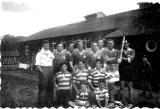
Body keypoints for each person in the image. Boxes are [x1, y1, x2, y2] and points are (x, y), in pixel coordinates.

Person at [35, 40, 55, 107]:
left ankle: (49, 103)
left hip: (50, 70)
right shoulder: (39, 53)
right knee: (43, 88)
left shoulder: (50, 53)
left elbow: (53, 61)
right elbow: (37, 65)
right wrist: (42, 72)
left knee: (50, 88)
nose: (47, 46)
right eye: (46, 45)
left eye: (48, 45)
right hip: (43, 70)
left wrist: (51, 70)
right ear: (43, 45)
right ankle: (41, 104)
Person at [102, 39, 120, 103]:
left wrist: (116, 67)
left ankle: (113, 97)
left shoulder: (117, 51)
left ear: (113, 44)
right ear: (107, 44)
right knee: (109, 83)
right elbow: (105, 60)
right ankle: (109, 98)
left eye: (111, 43)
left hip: (115, 68)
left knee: (114, 84)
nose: (110, 45)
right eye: (109, 43)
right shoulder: (104, 51)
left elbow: (118, 61)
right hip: (108, 68)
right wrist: (113, 59)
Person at [118, 40, 135, 105]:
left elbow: (130, 60)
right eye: (123, 43)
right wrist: (118, 60)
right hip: (122, 71)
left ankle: (131, 101)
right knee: (122, 87)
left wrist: (122, 58)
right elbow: (118, 60)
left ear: (128, 43)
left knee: (130, 87)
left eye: (125, 43)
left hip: (129, 71)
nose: (124, 45)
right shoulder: (121, 51)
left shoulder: (132, 51)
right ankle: (123, 100)